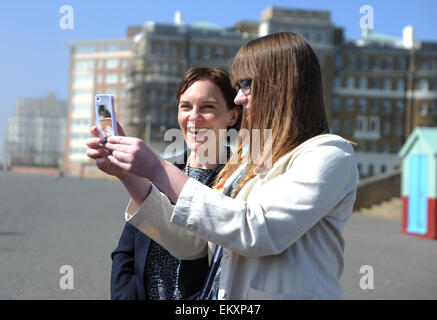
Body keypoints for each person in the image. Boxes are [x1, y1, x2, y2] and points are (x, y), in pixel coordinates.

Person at [99, 32, 359, 300]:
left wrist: (157, 168)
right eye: (237, 87)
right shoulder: (249, 159)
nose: (239, 98)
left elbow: (257, 230)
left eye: (247, 85)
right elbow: (196, 245)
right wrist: (129, 174)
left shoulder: (329, 154)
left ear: (281, 85)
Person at [86, 67, 241, 299]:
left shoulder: (240, 181)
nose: (193, 117)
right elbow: (125, 254)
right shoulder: (158, 171)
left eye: (208, 107)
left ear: (232, 115)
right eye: (185, 106)